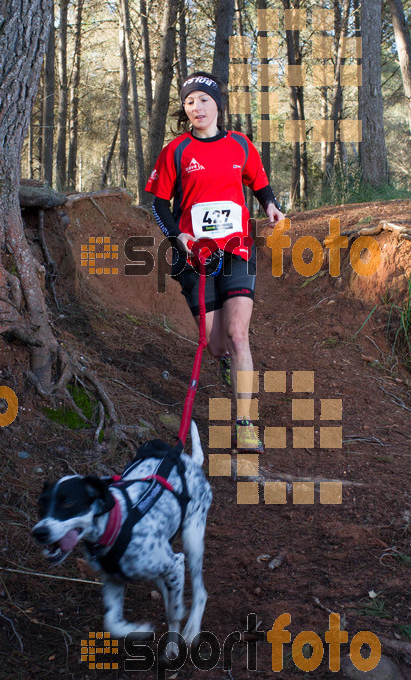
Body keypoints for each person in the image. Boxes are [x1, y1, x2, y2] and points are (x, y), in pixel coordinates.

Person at [145, 70, 285, 453]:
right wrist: (180, 237)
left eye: (203, 100)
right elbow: (157, 203)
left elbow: (259, 183)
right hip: (196, 257)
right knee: (217, 344)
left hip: (237, 250)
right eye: (189, 101)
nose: (196, 107)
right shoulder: (177, 151)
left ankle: (245, 422)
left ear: (217, 105)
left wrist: (270, 206)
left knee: (240, 335)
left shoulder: (240, 145)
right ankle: (223, 359)